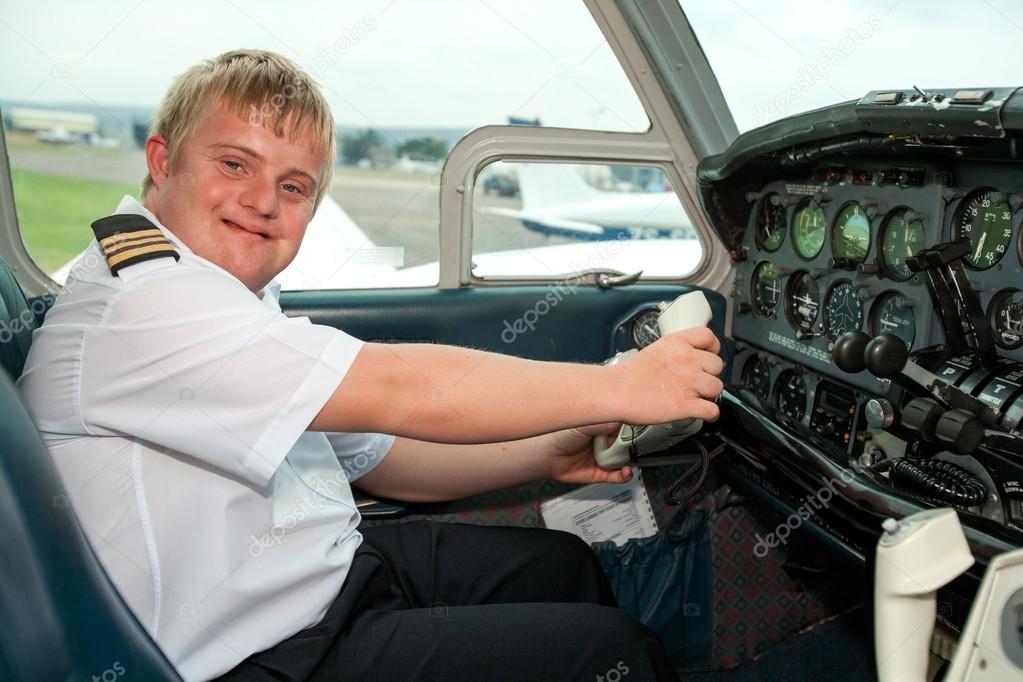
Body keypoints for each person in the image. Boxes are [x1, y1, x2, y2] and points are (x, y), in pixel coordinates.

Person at [17, 50, 723, 682]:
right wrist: (621, 384)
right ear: (163, 160)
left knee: (562, 564)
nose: (264, 203)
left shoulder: (221, 295)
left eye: (294, 188)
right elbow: (398, 389)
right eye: (234, 164)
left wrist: (546, 451)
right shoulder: (148, 302)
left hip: (318, 584)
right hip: (257, 654)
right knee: (612, 654)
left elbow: (383, 458)